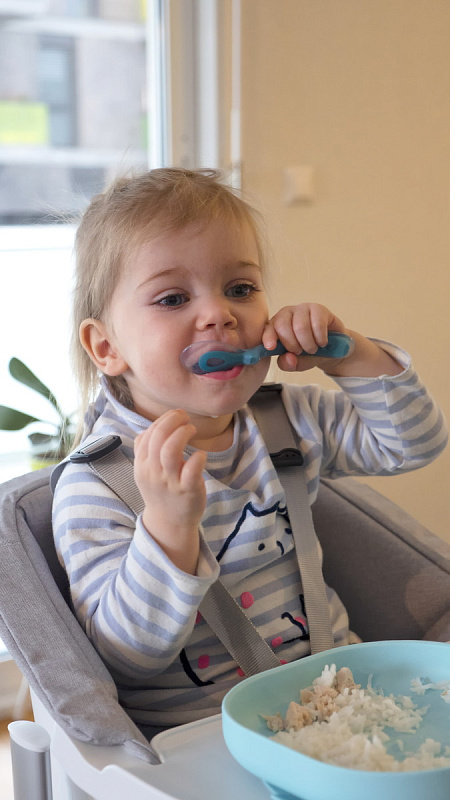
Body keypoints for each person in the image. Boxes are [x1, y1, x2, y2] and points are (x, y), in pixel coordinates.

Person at [52, 167, 447, 737]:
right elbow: (127, 656)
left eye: (240, 289)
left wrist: (350, 356)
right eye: (173, 298)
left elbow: (414, 444)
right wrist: (167, 529)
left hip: (344, 705)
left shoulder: (285, 420)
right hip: (203, 737)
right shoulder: (98, 482)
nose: (220, 313)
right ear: (107, 346)